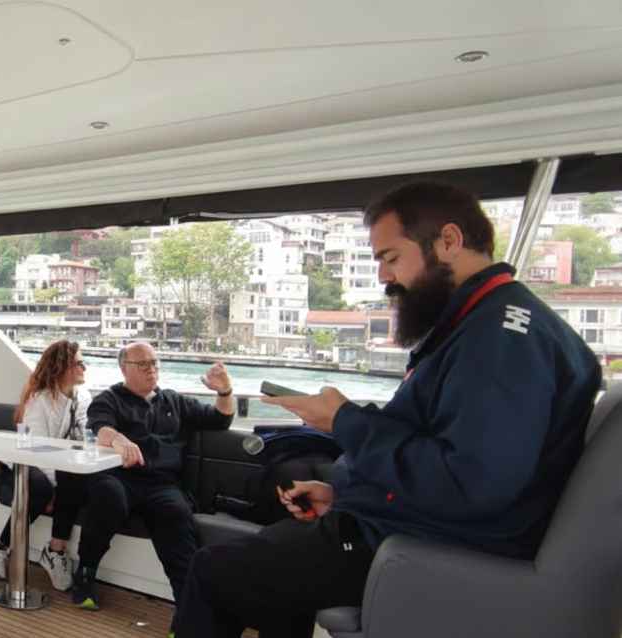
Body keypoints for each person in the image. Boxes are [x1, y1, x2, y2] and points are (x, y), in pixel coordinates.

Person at [173, 180, 603, 638]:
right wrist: (347, 492)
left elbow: (471, 484)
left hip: (434, 546)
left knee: (213, 570)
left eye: (391, 257)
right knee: (267, 576)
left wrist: (344, 421)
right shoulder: (491, 323)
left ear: (449, 240)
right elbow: (441, 447)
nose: (383, 277)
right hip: (421, 524)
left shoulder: (498, 342)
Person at [72, 342, 234, 618]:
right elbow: (100, 426)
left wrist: (224, 391)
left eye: (155, 363)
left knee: (177, 516)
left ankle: (188, 610)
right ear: (124, 368)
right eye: (143, 364)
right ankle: (85, 572)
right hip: (120, 477)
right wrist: (119, 440)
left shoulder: (175, 401)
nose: (152, 369)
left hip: (162, 483)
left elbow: (221, 420)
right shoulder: (109, 399)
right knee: (106, 494)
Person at [0, 339, 89, 592]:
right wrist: (54, 491)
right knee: (40, 490)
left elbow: (84, 439)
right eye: (78, 363)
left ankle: (54, 552)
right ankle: (0, 547)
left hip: (57, 463)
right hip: (25, 460)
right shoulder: (39, 400)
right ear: (61, 367)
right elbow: (36, 449)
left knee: (75, 479)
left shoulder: (83, 398)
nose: (84, 368)